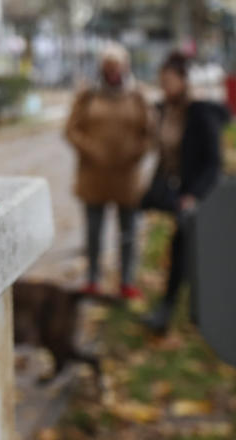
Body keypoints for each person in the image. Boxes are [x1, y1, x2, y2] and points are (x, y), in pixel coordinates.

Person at [143, 51, 229, 335]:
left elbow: (214, 162)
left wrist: (194, 195)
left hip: (205, 195)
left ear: (183, 80)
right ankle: (182, 312)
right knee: (183, 251)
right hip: (182, 195)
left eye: (169, 81)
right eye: (161, 81)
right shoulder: (165, 111)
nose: (164, 86)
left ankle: (188, 313)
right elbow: (165, 157)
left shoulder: (200, 112)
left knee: (196, 254)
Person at [65, 44, 151, 298]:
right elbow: (71, 129)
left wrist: (136, 152)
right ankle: (92, 279)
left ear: (125, 67)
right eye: (108, 66)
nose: (113, 71)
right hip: (94, 176)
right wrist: (90, 149)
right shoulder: (88, 96)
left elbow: (150, 132)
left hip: (126, 177)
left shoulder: (137, 95)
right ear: (102, 68)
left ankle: (126, 281)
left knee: (128, 231)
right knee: (93, 230)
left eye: (117, 66)